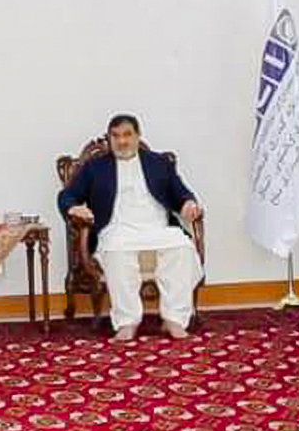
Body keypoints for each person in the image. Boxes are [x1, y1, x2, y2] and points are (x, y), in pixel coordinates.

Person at [58, 114, 204, 341]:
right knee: (116, 250)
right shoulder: (95, 167)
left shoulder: (159, 163)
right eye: (115, 136)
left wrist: (188, 204)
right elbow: (67, 195)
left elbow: (181, 193)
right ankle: (127, 322)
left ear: (138, 136)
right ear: (109, 139)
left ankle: (174, 319)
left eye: (127, 135)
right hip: (117, 230)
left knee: (183, 248)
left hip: (158, 229)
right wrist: (74, 208)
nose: (122, 141)